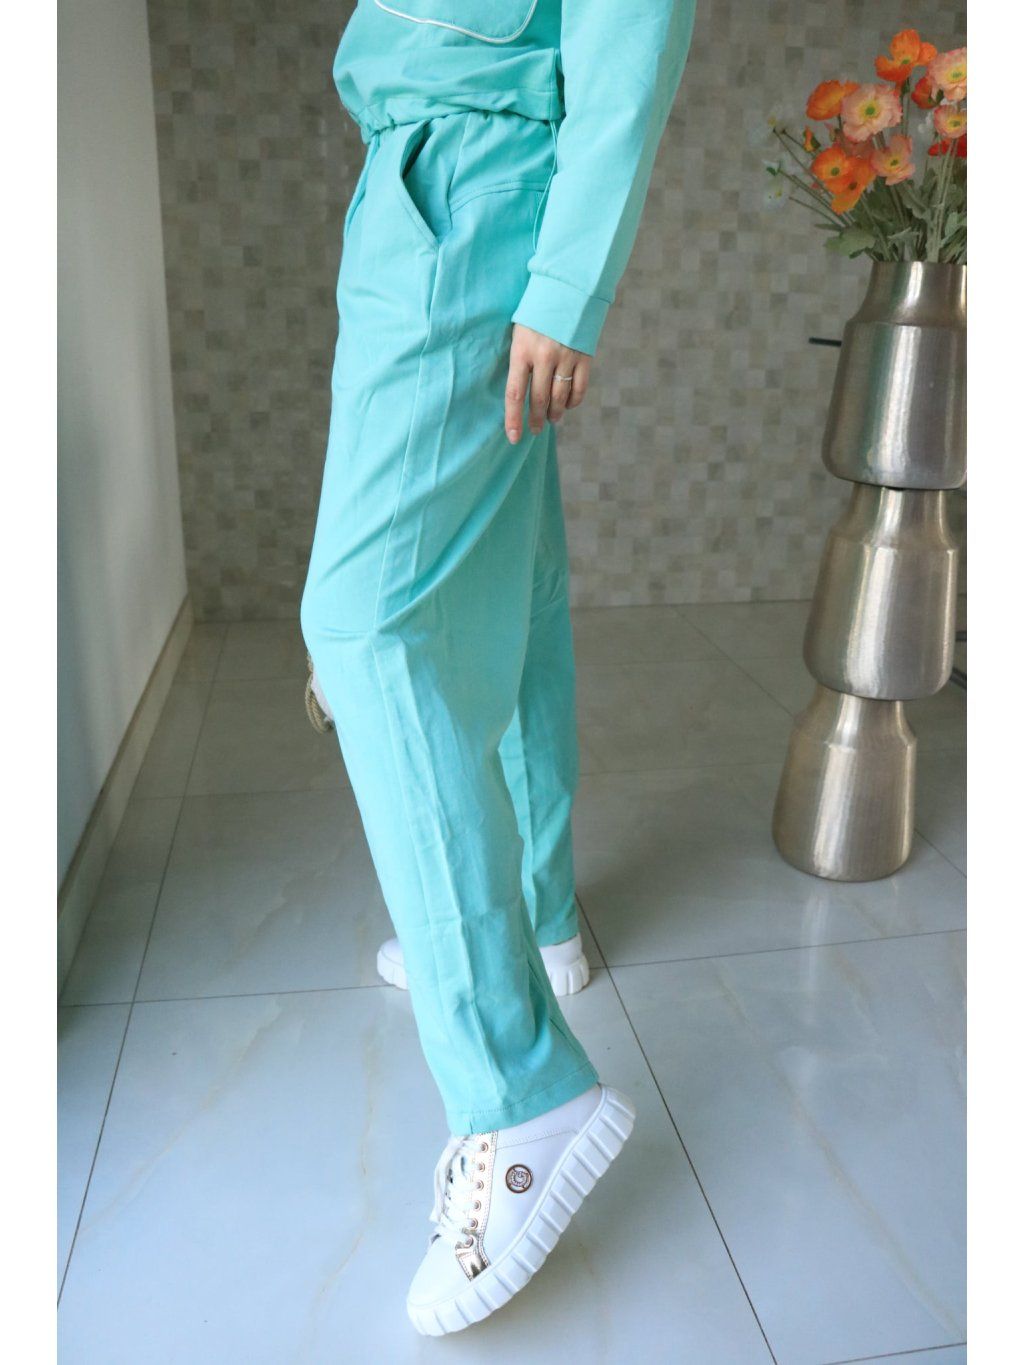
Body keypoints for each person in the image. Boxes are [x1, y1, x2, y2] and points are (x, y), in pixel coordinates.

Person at [300, 0, 696, 1335]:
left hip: (473, 190)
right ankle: (537, 911)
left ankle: (519, 1093)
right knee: (507, 578)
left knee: (362, 623)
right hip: (426, 184)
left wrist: (569, 281)